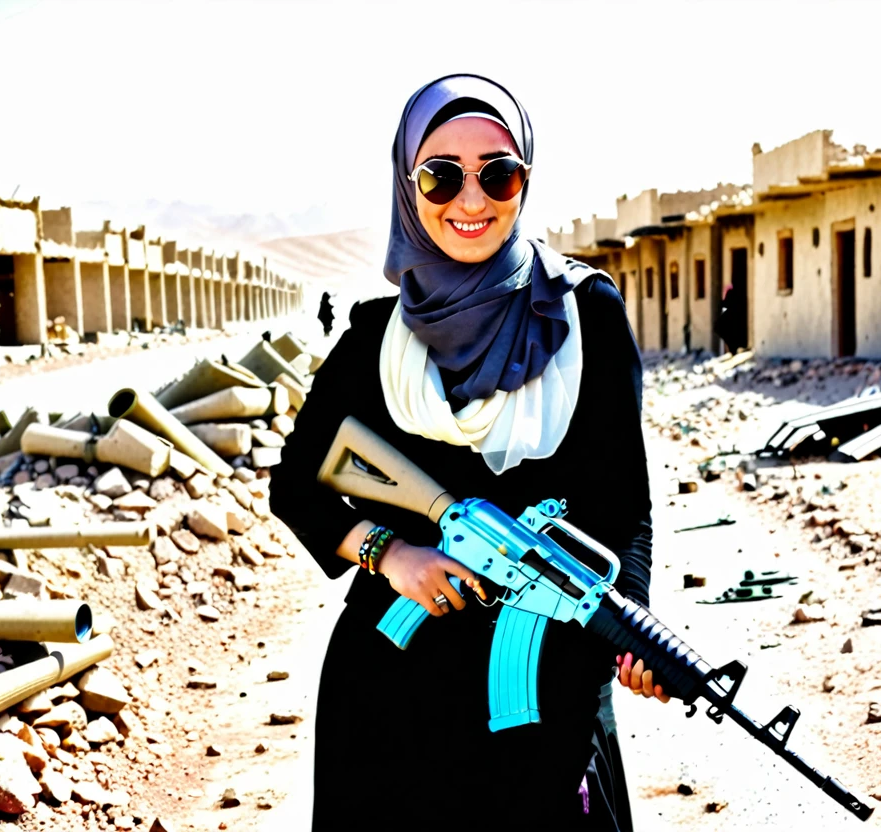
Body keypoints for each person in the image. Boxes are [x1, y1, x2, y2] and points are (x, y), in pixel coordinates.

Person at [269, 74, 662, 831]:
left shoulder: (587, 315)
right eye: (441, 175)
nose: (472, 199)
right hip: (389, 696)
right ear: (406, 184)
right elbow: (297, 485)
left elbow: (626, 505)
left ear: (525, 180)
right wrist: (393, 554)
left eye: (499, 173)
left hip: (547, 690)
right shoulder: (374, 337)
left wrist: (632, 629)